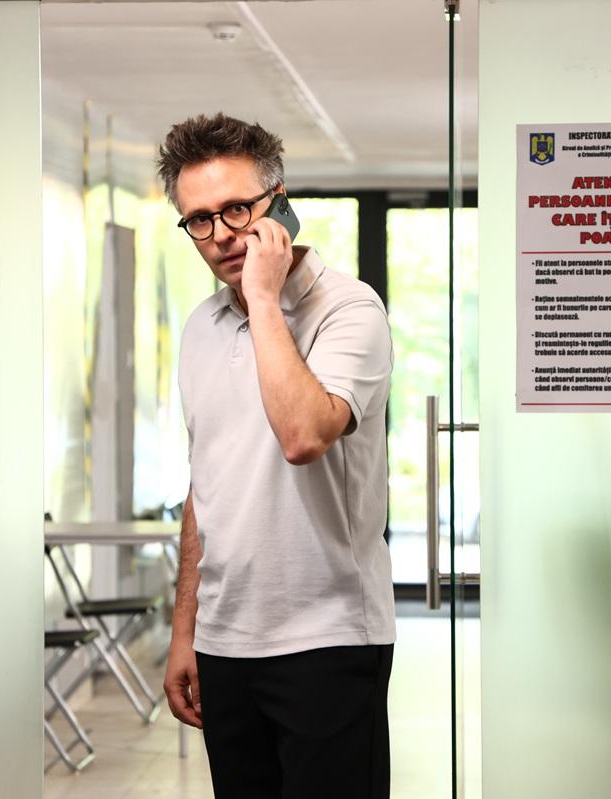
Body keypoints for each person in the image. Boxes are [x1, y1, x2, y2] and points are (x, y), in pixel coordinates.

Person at [156, 112, 395, 799]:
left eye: (237, 209)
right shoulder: (201, 328)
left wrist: (263, 296)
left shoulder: (349, 309)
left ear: (279, 201)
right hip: (225, 643)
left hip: (330, 640)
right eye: (199, 220)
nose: (221, 234)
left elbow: (303, 435)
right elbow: (207, 486)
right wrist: (185, 629)